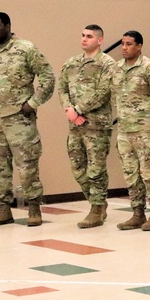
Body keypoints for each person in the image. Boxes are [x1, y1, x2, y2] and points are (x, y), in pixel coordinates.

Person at [0, 12, 55, 227]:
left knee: (27, 166)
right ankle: (3, 210)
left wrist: (34, 103)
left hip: (20, 119)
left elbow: (47, 76)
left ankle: (34, 209)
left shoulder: (26, 48)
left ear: (8, 26)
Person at [59, 24, 115, 229]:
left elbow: (104, 92)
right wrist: (70, 111)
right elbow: (62, 88)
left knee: (96, 169)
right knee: (78, 169)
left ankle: (96, 209)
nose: (84, 39)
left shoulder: (107, 64)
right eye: (82, 35)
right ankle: (96, 202)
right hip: (75, 125)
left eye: (89, 36)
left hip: (97, 126)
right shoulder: (71, 63)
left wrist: (79, 109)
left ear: (100, 40)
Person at [112, 30, 150, 231]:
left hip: (145, 130)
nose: (124, 48)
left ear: (139, 46)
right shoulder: (117, 69)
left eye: (129, 44)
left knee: (149, 173)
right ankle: (137, 212)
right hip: (125, 130)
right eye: (123, 44)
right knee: (130, 173)